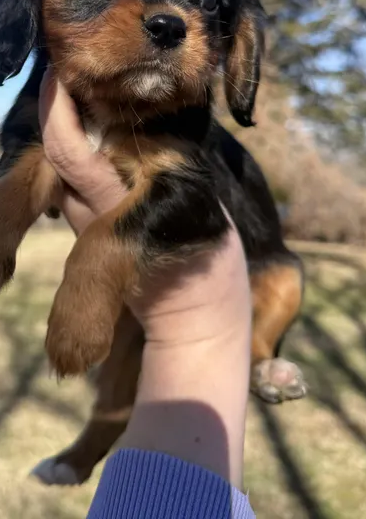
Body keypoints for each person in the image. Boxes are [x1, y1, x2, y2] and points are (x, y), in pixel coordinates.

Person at [39, 70, 256, 519]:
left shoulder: (182, 129)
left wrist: (193, 325)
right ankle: (89, 446)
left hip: (231, 259)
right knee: (118, 355)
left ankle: (267, 356)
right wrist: (200, 331)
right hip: (192, 311)